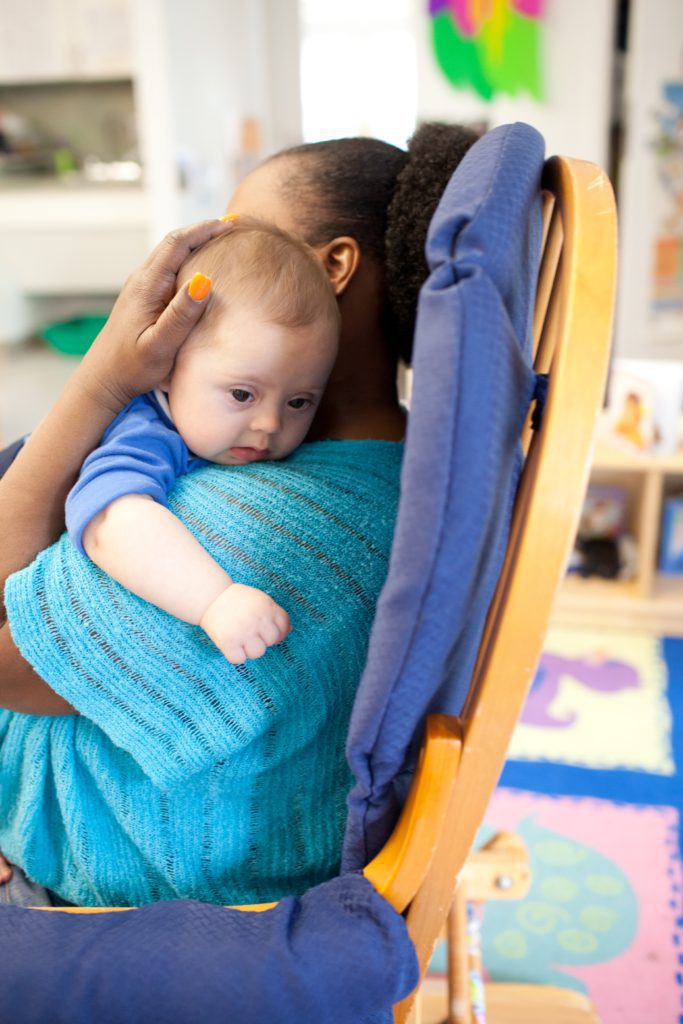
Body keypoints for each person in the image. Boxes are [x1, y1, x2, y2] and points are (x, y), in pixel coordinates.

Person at [0, 122, 479, 908]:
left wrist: (102, 379)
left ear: (331, 270)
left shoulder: (270, 517)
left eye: (243, 235)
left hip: (102, 886)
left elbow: (6, 667)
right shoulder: (383, 470)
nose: (201, 270)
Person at [66, 218, 340, 665]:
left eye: (298, 402)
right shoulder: (144, 432)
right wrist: (215, 600)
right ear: (168, 369)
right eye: (241, 394)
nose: (269, 423)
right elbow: (110, 523)